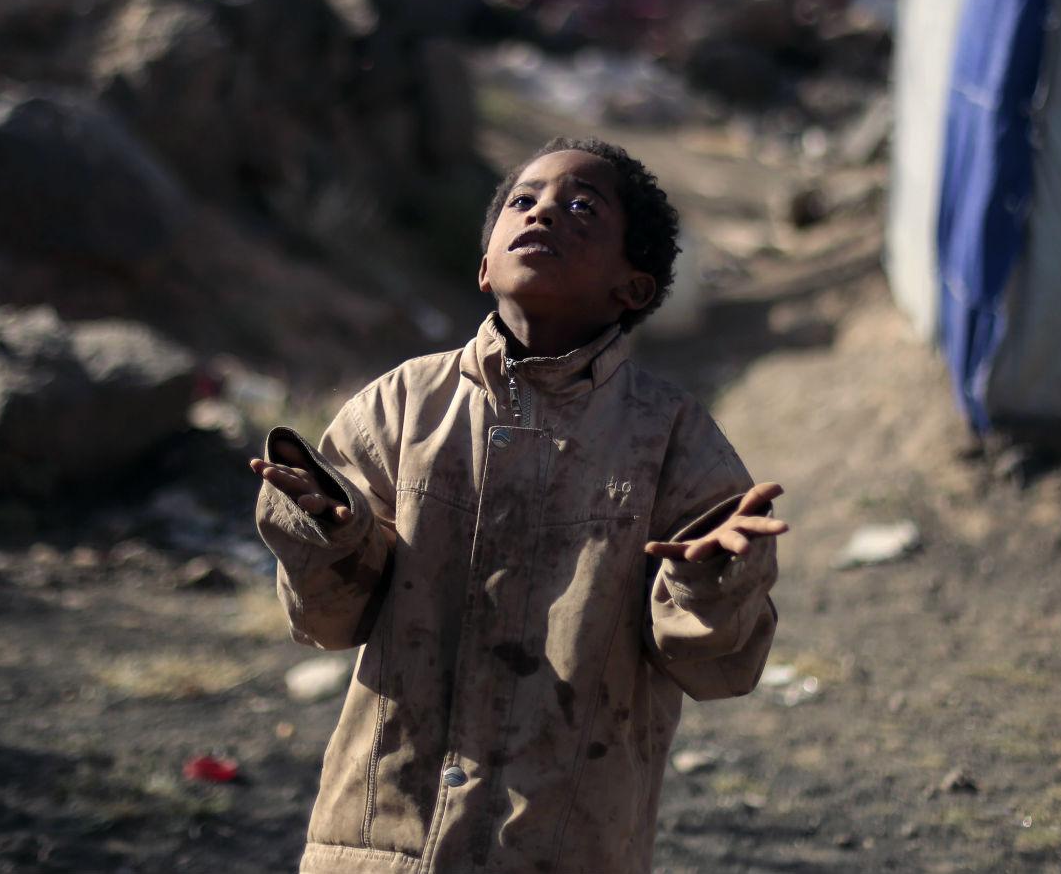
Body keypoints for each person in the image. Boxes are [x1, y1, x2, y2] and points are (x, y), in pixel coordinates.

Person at [250, 136, 786, 874]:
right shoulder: (402, 405)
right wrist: (334, 537)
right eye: (523, 201)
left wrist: (709, 585)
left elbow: (717, 668)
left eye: (581, 208)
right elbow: (328, 621)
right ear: (483, 266)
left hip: (563, 845)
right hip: (382, 840)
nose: (542, 214)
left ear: (632, 288)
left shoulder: (668, 437)